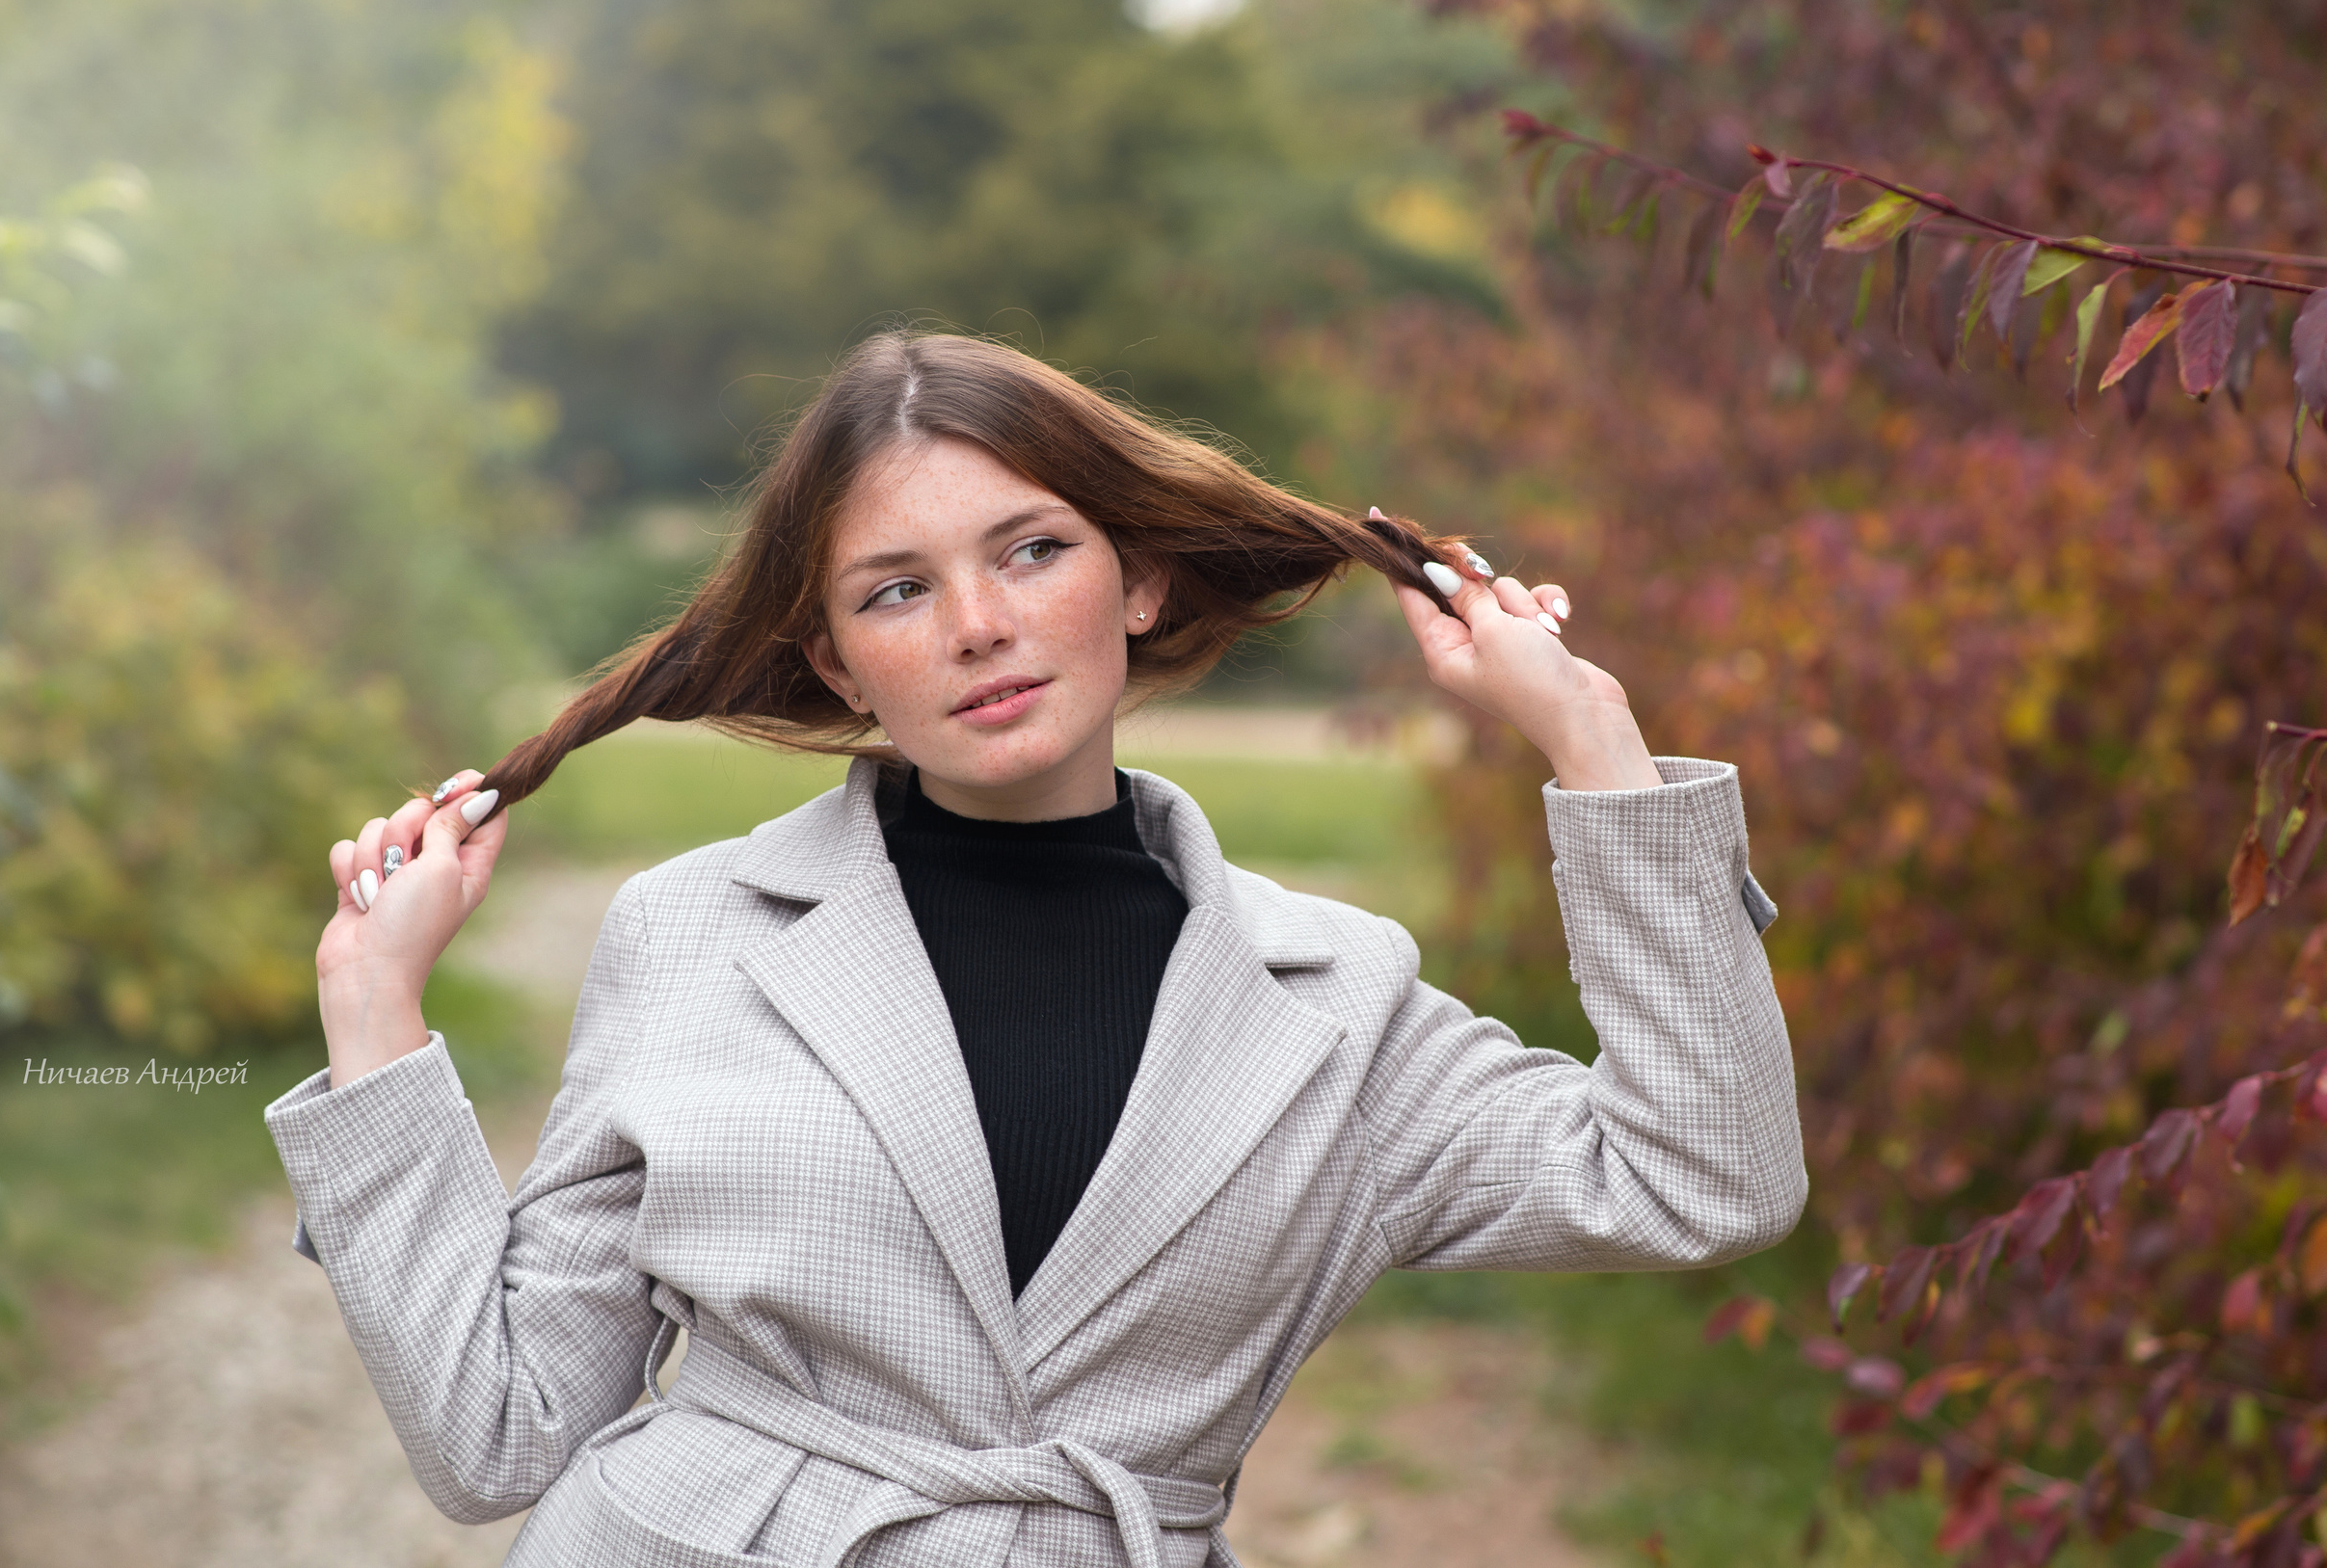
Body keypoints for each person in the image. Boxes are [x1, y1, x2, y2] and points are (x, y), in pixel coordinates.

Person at [265, 331, 1805, 1568]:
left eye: (1030, 551)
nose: (977, 625)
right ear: (836, 657)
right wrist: (376, 1010)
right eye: (896, 589)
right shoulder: (692, 937)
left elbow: (1708, 1172)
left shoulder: (1339, 1005)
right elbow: (497, 1435)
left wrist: (1591, 740)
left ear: (1136, 579)